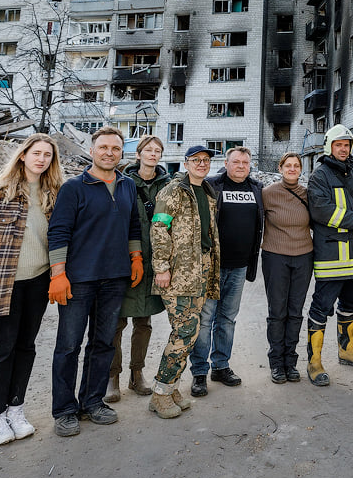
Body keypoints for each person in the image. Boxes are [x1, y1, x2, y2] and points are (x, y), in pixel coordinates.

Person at [0, 133, 64, 447]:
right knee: (1, 350)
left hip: (37, 282)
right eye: (36, 153)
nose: (41, 159)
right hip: (2, 284)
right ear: (23, 155)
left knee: (26, 347)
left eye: (47, 155)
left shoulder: (54, 194)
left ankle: (15, 409)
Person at [47, 127, 143, 437]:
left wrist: (136, 257)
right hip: (79, 280)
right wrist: (58, 274)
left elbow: (133, 226)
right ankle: (64, 409)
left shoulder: (128, 186)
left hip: (114, 279)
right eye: (103, 147)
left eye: (115, 148)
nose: (109, 153)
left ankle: (92, 401)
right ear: (92, 150)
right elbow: (58, 232)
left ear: (121, 153)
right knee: (68, 346)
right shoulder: (74, 188)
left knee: (103, 343)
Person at [304, 124, 353, 386]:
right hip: (331, 257)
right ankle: (314, 362)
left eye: (347, 145)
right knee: (321, 307)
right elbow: (321, 210)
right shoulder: (319, 176)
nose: (343, 149)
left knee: (352, 303)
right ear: (329, 146)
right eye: (339, 145)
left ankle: (346, 351)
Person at [147, 145, 221, 418]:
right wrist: (162, 268)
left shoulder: (207, 193)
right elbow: (159, 228)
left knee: (189, 333)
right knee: (185, 332)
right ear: (186, 163)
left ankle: (171, 387)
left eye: (206, 160)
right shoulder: (173, 190)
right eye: (196, 160)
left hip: (200, 272)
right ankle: (160, 393)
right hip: (178, 274)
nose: (202, 164)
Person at [190, 146, 263, 396]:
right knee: (205, 319)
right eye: (236, 162)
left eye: (245, 162)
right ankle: (199, 372)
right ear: (227, 163)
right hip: (212, 266)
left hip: (240, 266)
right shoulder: (211, 185)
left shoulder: (256, 189)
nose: (241, 165)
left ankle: (221, 366)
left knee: (228, 319)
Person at [105, 135, 170, 403]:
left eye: (157, 151)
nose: (153, 154)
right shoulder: (122, 182)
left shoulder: (167, 185)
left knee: (144, 320)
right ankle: (112, 377)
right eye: (148, 150)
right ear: (139, 154)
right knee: (116, 322)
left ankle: (137, 374)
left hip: (155, 260)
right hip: (124, 258)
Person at [260, 152, 314, 383]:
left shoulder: (308, 194)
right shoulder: (267, 193)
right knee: (277, 311)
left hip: (303, 257)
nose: (292, 169)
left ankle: (290, 361)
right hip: (275, 257)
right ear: (280, 168)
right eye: (288, 165)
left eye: (296, 166)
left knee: (295, 311)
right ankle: (276, 363)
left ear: (300, 169)